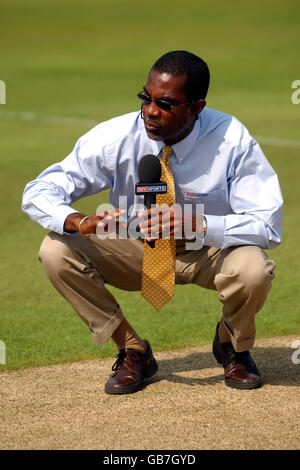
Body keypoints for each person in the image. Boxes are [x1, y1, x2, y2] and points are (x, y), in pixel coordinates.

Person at [22, 50, 283, 394]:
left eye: (166, 103)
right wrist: (78, 220)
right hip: (138, 249)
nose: (150, 111)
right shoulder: (116, 136)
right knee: (56, 249)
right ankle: (133, 350)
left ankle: (231, 345)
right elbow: (39, 189)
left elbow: (268, 224)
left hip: (208, 251)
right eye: (145, 98)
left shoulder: (232, 140)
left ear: (197, 107)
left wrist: (199, 224)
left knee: (254, 270)